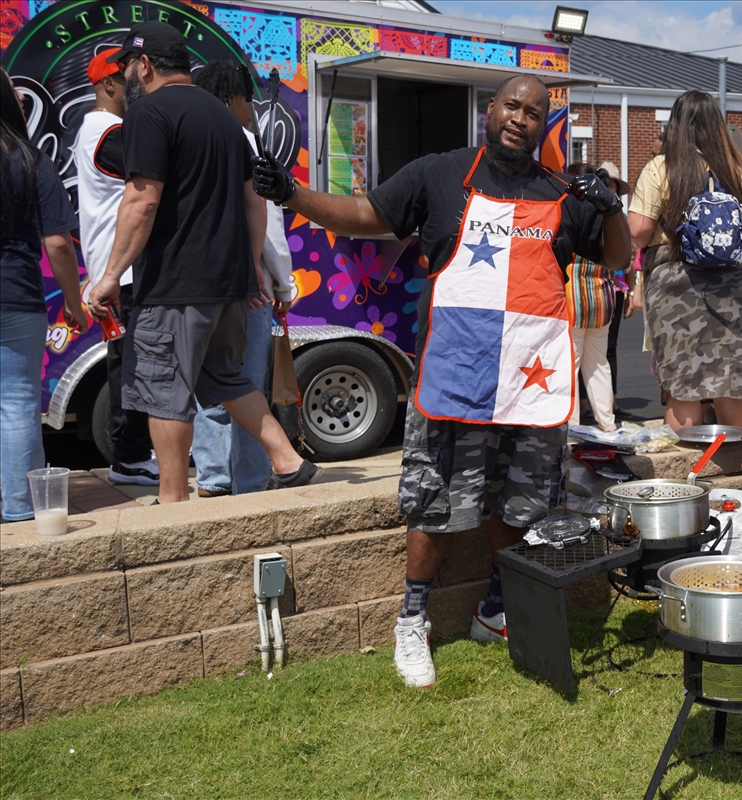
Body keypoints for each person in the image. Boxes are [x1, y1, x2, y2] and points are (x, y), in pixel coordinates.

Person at [251, 74, 631, 687]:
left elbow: (616, 257)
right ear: (491, 109)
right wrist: (292, 194)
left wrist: (609, 206)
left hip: (528, 383)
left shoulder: (561, 191)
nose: (520, 119)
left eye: (534, 113)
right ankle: (412, 620)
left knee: (521, 502)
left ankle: (495, 608)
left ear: (544, 125)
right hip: (454, 375)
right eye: (512, 106)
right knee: (432, 504)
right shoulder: (439, 173)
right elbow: (364, 215)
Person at [86, 22, 321, 505]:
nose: (127, 75)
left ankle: (172, 501)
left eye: (128, 65)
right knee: (224, 376)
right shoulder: (225, 118)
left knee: (163, 390)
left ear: (144, 65)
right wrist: (250, 267)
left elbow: (142, 200)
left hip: (175, 284)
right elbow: (254, 201)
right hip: (228, 283)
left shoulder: (149, 112)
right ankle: (287, 460)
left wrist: (109, 276)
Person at [190, 60, 295, 497]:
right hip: (248, 285)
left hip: (199, 283)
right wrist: (283, 283)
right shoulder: (246, 140)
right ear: (233, 98)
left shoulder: (188, 136)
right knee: (247, 383)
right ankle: (250, 481)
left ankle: (212, 477)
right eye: (247, 100)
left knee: (210, 382)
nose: (251, 110)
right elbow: (267, 223)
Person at [627, 89, 742, 431]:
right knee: (729, 380)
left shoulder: (662, 168)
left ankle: (688, 462)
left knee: (683, 383)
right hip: (733, 281)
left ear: (676, 126)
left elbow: (639, 231)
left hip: (675, 282)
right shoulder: (739, 171)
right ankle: (735, 457)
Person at [1, 68, 87, 521]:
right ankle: (17, 508)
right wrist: (74, 303)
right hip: (16, 294)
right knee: (17, 401)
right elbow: (58, 243)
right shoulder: (30, 160)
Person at [73, 49, 159, 488]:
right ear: (108, 84)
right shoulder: (108, 132)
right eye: (129, 78)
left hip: (116, 271)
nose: (137, 84)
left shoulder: (99, 129)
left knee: (129, 363)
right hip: (122, 273)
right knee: (132, 366)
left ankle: (133, 455)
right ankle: (130, 458)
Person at [565, 162, 622, 432]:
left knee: (570, 367)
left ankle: (571, 427)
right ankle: (607, 425)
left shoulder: (569, 210)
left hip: (571, 300)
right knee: (599, 365)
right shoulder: (606, 214)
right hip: (602, 299)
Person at [596, 161, 632, 418]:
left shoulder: (622, 218)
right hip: (592, 286)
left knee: (610, 348)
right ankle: (584, 404)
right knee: (584, 349)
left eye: (612, 185)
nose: (609, 189)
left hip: (616, 289)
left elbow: (629, 257)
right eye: (605, 183)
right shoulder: (588, 212)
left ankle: (612, 402)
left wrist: (631, 291)